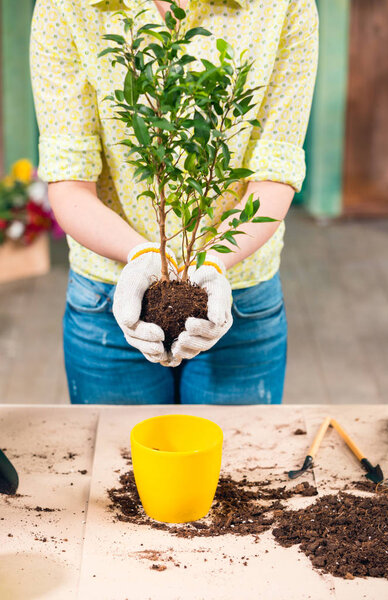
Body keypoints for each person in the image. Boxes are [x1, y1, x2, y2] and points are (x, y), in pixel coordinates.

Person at [30, 0, 318, 405]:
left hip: (238, 297)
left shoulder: (284, 5)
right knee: (116, 460)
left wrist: (214, 262)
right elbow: (69, 182)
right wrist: (143, 255)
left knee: (237, 464)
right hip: (110, 297)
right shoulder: (67, 5)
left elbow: (276, 171)